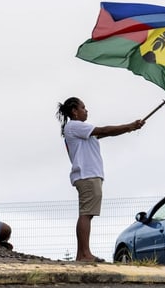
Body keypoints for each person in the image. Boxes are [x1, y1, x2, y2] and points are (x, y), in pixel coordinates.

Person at [56, 97, 144, 262]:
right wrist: (130, 126)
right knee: (86, 214)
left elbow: (106, 134)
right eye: (83, 107)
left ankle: (81, 254)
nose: (86, 110)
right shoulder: (75, 126)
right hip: (87, 175)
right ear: (74, 111)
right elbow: (104, 131)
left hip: (88, 175)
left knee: (86, 213)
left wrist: (129, 129)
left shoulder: (79, 130)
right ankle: (84, 254)